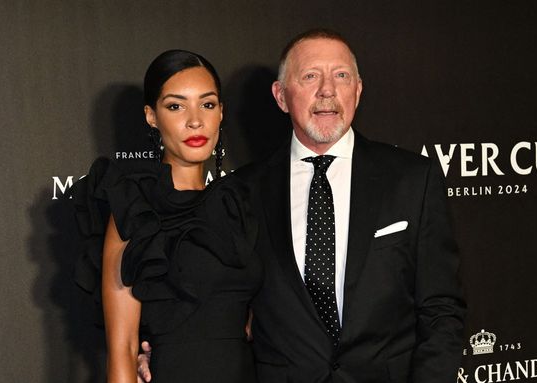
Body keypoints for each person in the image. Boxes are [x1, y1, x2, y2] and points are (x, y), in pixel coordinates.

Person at [140, 29, 466, 382]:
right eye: (310, 76)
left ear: (357, 89)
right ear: (281, 96)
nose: (327, 90)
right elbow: (215, 300)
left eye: (341, 76)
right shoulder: (239, 192)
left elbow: (441, 308)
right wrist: (167, 356)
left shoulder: (413, 179)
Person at [73, 50, 261, 383]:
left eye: (207, 104)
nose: (195, 120)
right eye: (176, 106)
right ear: (151, 116)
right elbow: (124, 350)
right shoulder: (135, 208)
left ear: (221, 113)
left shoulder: (240, 202)